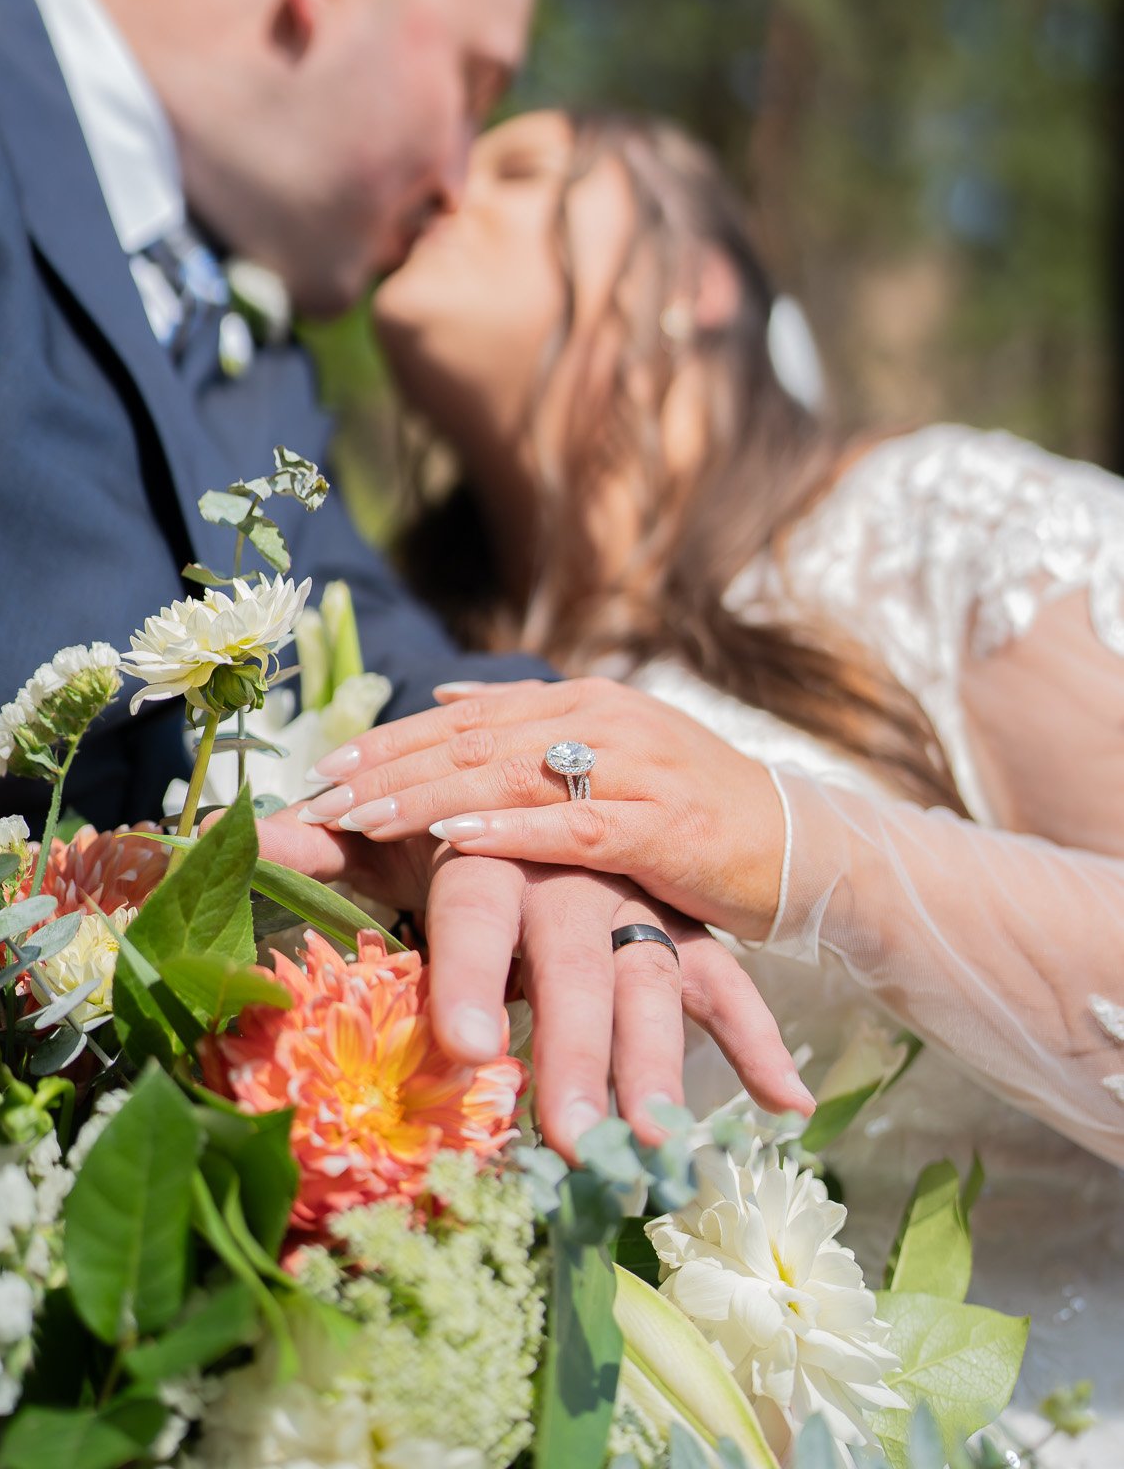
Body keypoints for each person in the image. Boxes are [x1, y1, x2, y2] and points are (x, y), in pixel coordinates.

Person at [0, 0, 804, 1467]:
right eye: (474, 81)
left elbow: (397, 666)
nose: (466, 176)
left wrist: (568, 835)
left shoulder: (262, 401)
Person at [283, 107, 1124, 1449]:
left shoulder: (934, 528)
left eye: (523, 167)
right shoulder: (399, 662)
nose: (443, 182)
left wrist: (801, 848)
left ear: (698, 282)